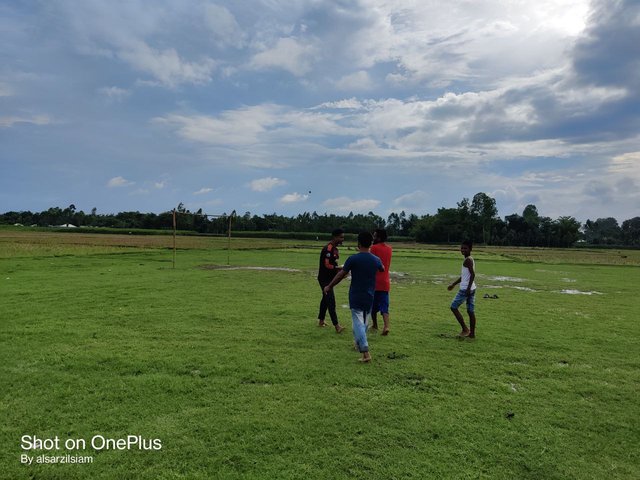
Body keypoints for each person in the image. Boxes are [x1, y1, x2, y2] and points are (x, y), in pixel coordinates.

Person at [324, 232, 384, 362]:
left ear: (359, 244)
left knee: (358, 323)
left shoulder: (353, 259)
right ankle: (358, 344)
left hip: (356, 295)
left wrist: (329, 286)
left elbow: (340, 275)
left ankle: (366, 352)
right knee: (364, 322)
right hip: (370, 296)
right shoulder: (376, 260)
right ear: (371, 244)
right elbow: (382, 269)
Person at [317, 228, 345, 333]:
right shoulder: (328, 249)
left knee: (325, 299)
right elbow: (327, 265)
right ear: (335, 237)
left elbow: (334, 264)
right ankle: (337, 326)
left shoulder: (335, 249)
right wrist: (338, 269)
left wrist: (338, 271)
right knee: (331, 300)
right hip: (324, 279)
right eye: (341, 237)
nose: (343, 239)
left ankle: (321, 321)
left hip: (330, 278)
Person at [447, 240, 477, 338]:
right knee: (470, 311)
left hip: (466, 289)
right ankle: (472, 333)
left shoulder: (467, 260)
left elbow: (473, 274)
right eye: (462, 248)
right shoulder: (470, 259)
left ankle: (465, 329)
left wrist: (467, 289)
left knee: (453, 307)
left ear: (470, 249)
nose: (463, 250)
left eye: (465, 248)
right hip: (472, 288)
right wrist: (453, 284)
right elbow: (465, 276)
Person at [370, 228, 392, 335]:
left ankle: (375, 325)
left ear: (378, 237)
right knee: (384, 306)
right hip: (385, 281)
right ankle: (386, 326)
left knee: (373, 306)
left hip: (375, 282)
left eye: (374, 236)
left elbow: (371, 262)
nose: (373, 238)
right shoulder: (389, 249)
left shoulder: (373, 248)